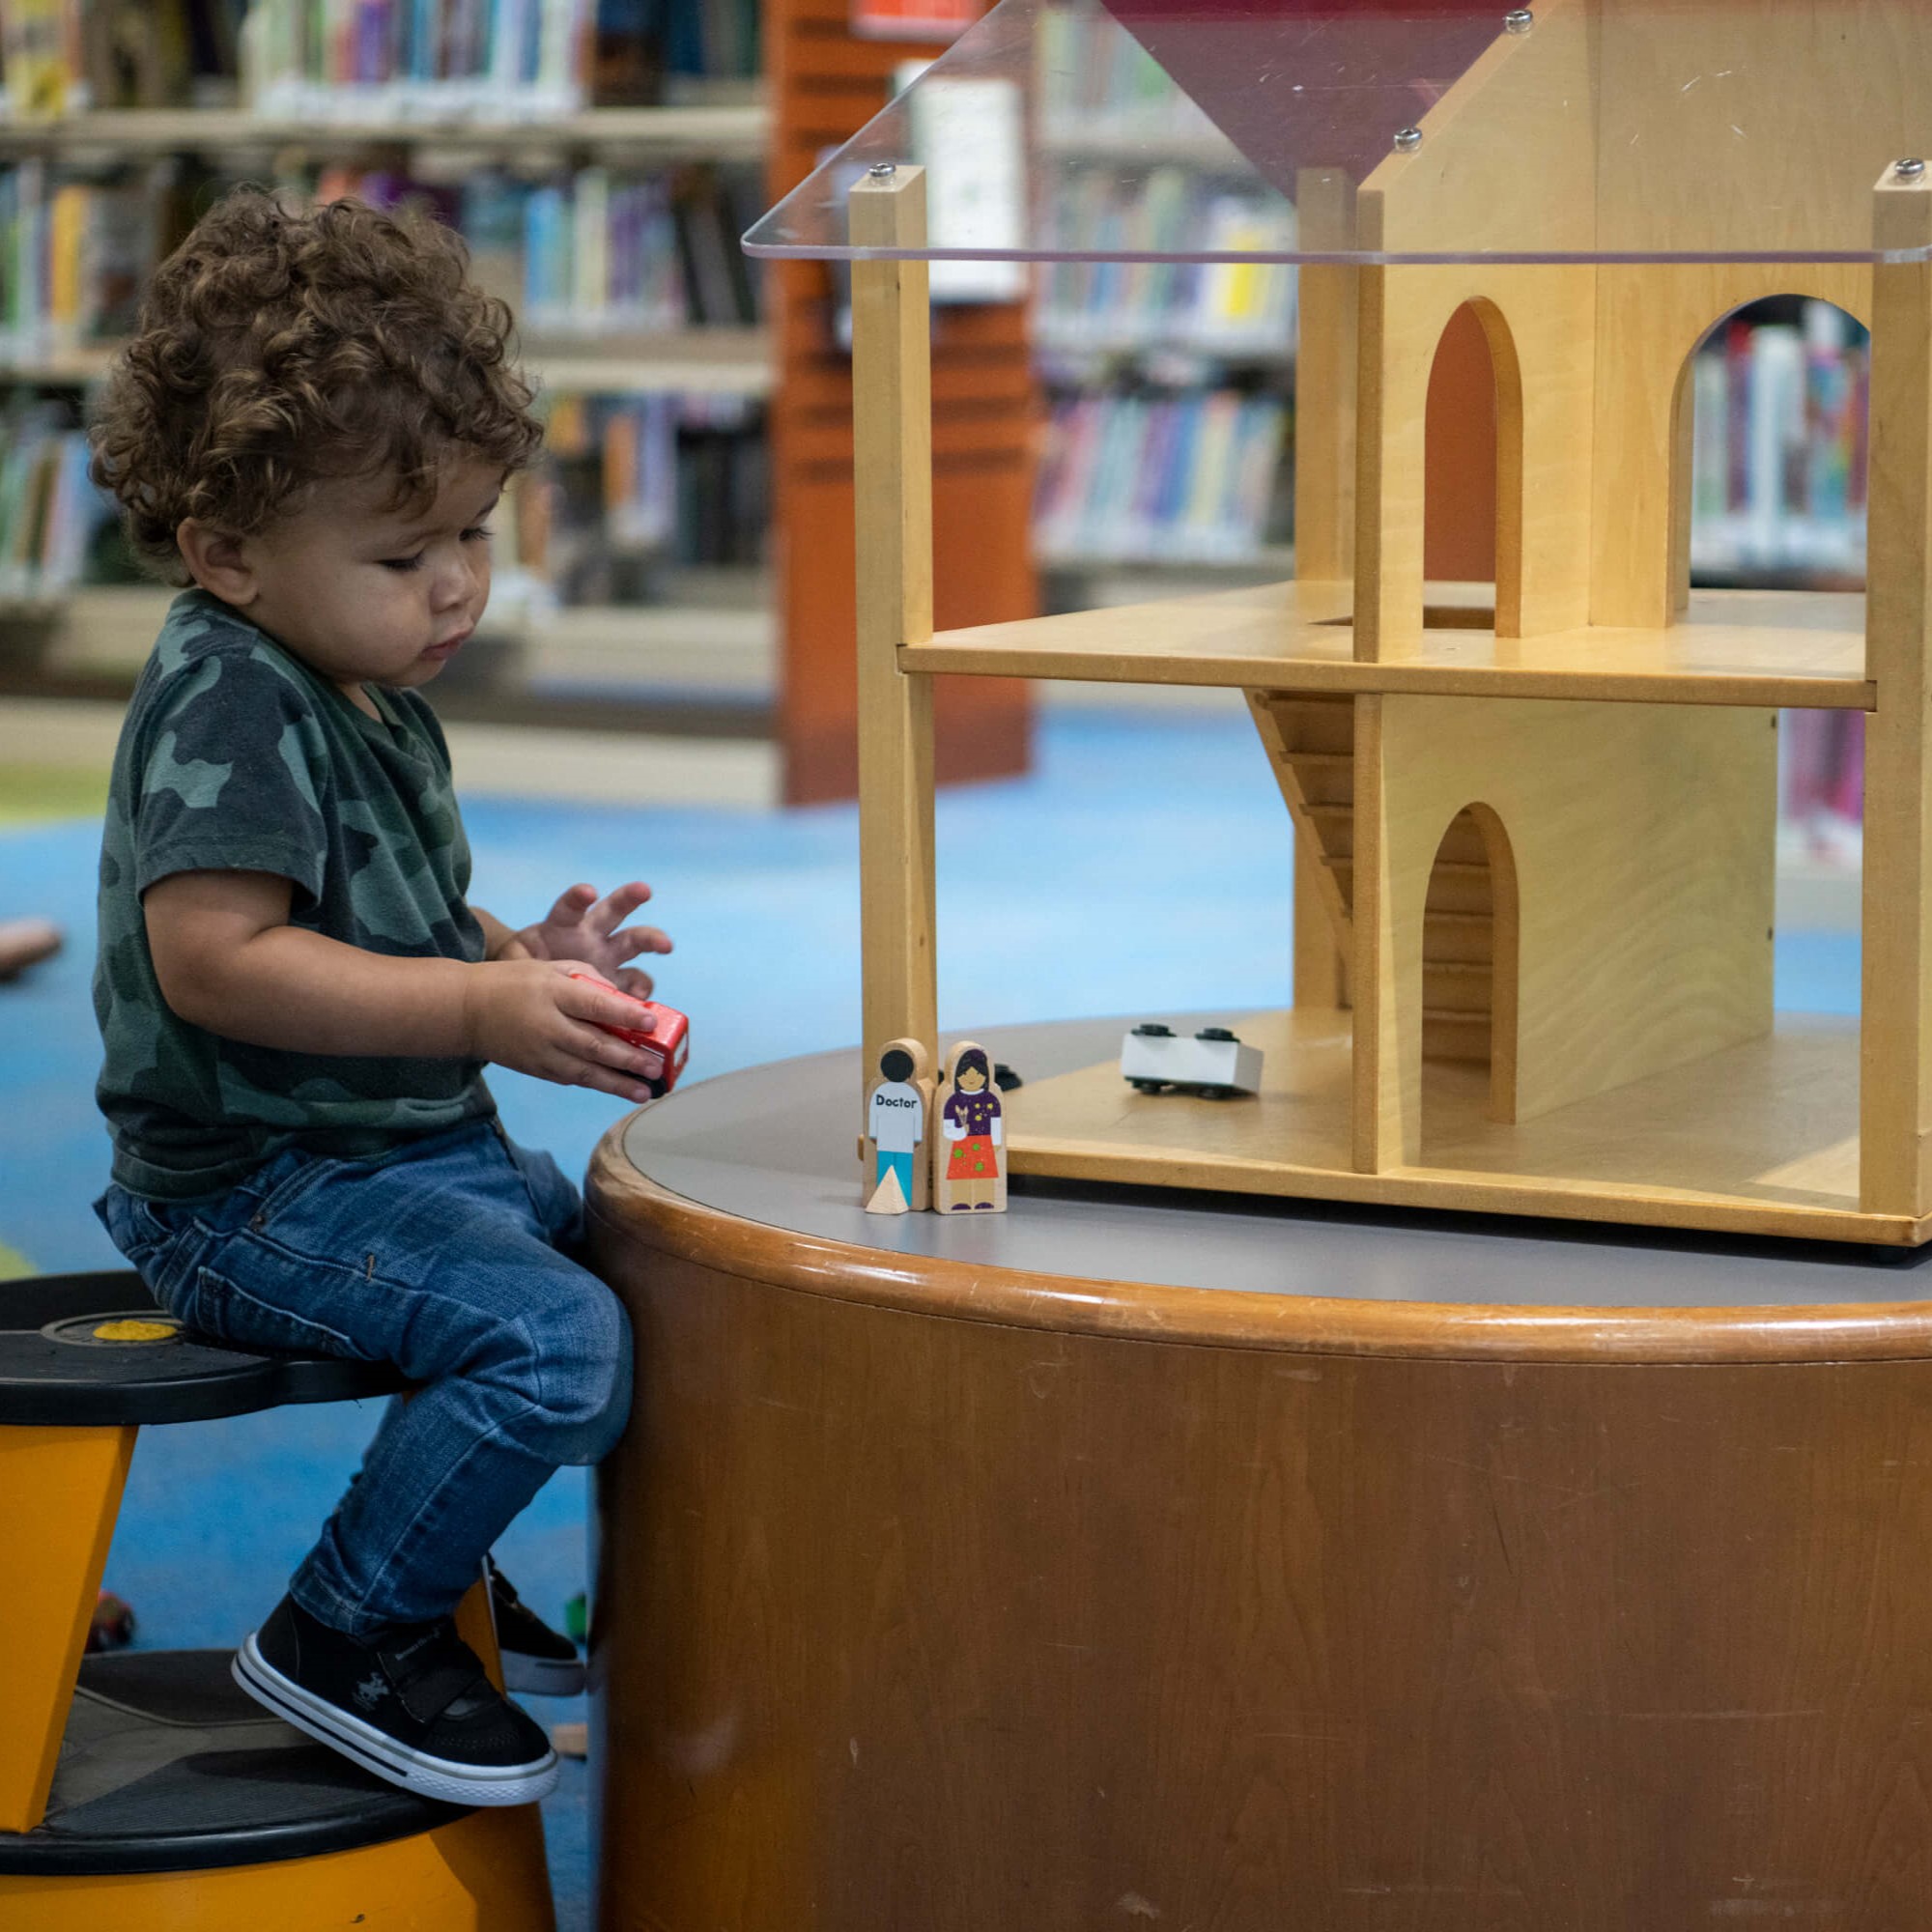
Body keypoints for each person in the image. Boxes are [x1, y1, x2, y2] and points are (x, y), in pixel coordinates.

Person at [88, 187, 670, 1808]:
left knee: (647, 1267)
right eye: (404, 553)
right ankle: (347, 1627)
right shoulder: (227, 696)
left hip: (387, 1154)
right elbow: (220, 960)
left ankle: (451, 1563)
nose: (457, 588)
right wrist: (480, 1019)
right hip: (250, 1187)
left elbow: (377, 907)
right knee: (557, 1342)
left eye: (477, 532)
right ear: (225, 552)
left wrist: (514, 956)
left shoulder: (353, 676)